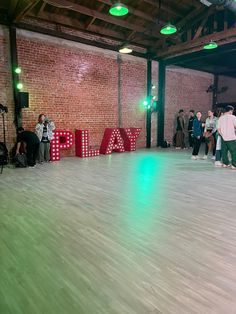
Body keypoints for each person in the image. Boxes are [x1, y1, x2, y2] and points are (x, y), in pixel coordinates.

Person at [218, 105, 236, 170]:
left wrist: (223, 135)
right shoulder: (233, 117)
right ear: (231, 111)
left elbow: (218, 129)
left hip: (223, 138)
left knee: (224, 151)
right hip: (231, 138)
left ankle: (225, 163)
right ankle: (234, 165)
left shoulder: (220, 118)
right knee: (234, 152)